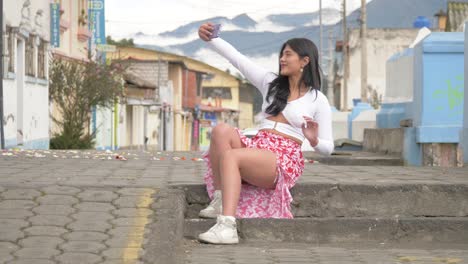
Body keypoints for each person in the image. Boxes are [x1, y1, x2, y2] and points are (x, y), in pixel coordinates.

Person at [197, 22, 334, 244]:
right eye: (282, 54)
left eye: (288, 55)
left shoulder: (318, 99)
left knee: (231, 156)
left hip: (282, 158)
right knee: (221, 130)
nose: (282, 59)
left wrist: (314, 140)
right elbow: (237, 59)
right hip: (258, 146)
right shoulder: (270, 82)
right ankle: (220, 200)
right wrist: (211, 39)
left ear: (304, 61)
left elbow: (329, 147)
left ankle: (227, 226)